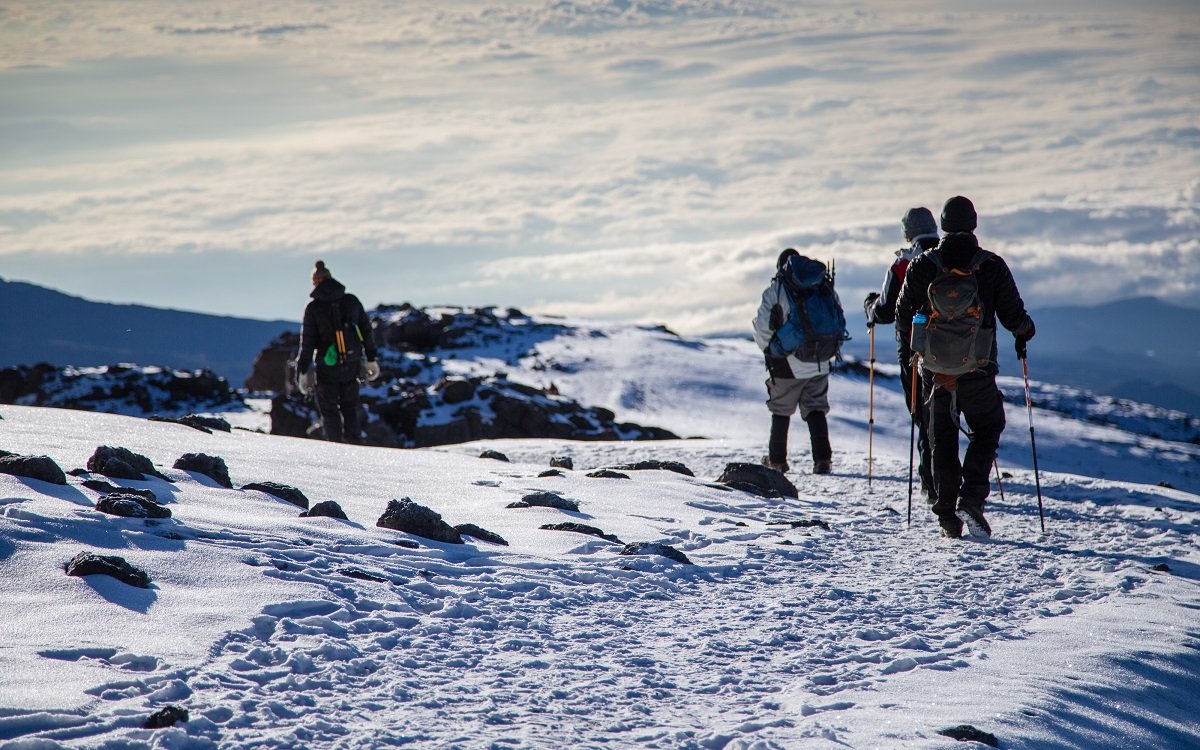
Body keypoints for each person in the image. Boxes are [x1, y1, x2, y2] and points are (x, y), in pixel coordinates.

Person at [896, 197, 1035, 538]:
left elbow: (902, 314)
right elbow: (1014, 316)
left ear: (942, 225)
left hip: (935, 370)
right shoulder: (991, 265)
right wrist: (1026, 331)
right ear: (974, 223)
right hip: (978, 366)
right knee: (988, 426)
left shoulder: (923, 265)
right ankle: (971, 498)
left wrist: (918, 343)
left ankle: (947, 516)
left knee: (941, 437)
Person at [864, 207, 939, 503]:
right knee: (949, 410)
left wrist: (870, 306)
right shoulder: (954, 256)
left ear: (908, 232)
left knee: (923, 413)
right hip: (959, 349)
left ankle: (930, 482)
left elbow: (885, 310)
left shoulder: (903, 264)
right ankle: (950, 477)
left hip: (914, 351)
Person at [752, 249, 836, 475]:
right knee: (816, 408)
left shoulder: (777, 289)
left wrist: (772, 351)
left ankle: (777, 461)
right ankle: (823, 460)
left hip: (787, 363)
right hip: (820, 358)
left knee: (781, 410)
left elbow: (762, 329)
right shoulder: (821, 284)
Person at [296, 260, 381, 443]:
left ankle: (335, 447)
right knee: (350, 407)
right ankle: (354, 446)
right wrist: (372, 358)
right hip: (352, 362)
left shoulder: (313, 308)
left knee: (329, 411)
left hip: (327, 366)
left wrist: (302, 370)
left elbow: (307, 343)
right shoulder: (351, 301)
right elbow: (366, 331)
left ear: (315, 282)